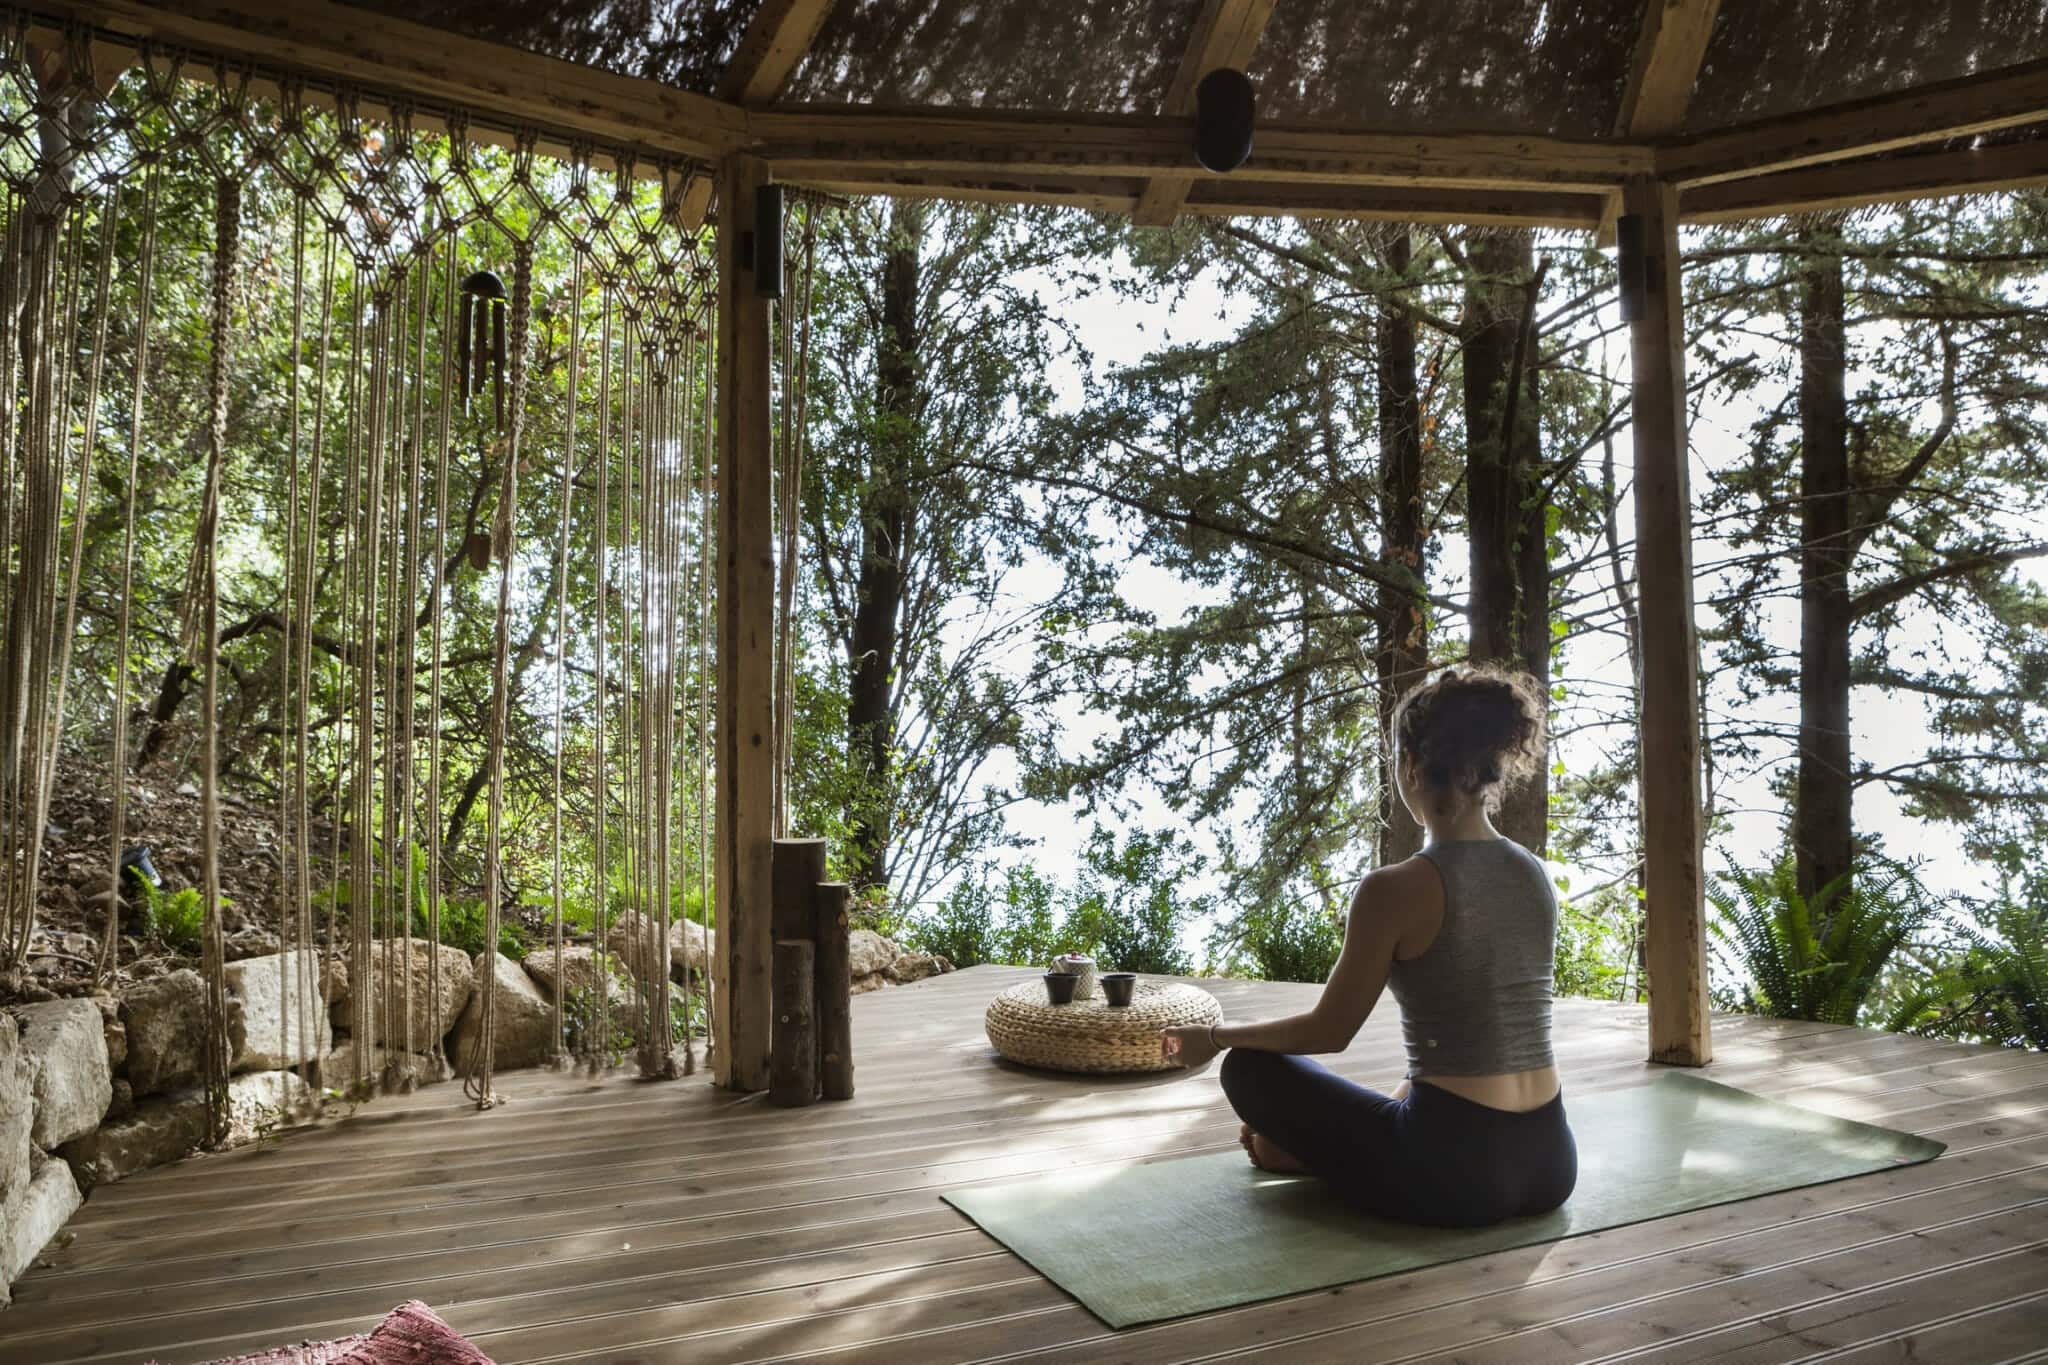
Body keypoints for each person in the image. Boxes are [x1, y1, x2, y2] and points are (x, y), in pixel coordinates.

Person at [1160, 664, 1576, 1228]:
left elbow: (1328, 1032)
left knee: (1249, 1069)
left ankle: (1319, 1161)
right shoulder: (1534, 874)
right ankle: (1337, 1160)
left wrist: (1211, 1038)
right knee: (1414, 1095)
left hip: (1458, 1177)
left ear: (1410, 766)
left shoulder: (1394, 888)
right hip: (1552, 1161)